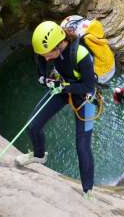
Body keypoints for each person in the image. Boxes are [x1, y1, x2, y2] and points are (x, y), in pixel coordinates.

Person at [15, 20, 97, 200]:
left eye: (48, 54)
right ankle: (38, 156)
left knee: (82, 146)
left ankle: (88, 191)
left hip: (84, 96)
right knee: (33, 125)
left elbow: (89, 85)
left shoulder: (81, 54)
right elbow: (40, 61)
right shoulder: (49, 51)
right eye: (43, 54)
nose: (46, 58)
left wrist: (64, 86)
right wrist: (44, 78)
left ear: (59, 45)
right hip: (62, 87)